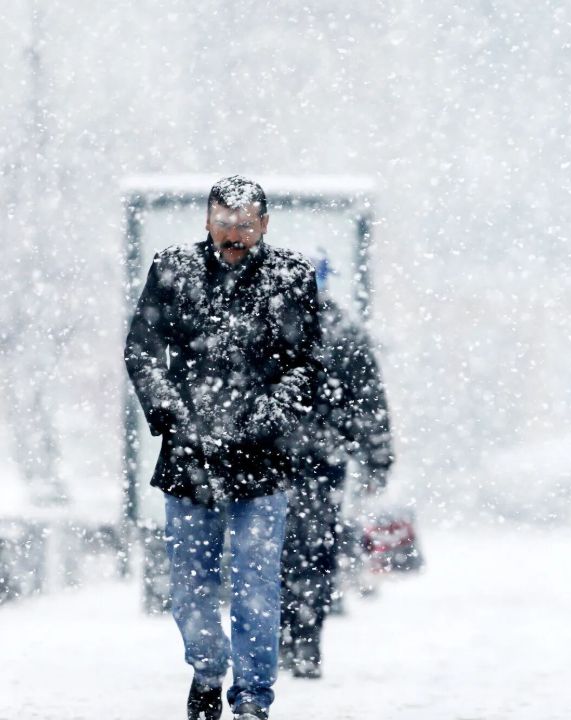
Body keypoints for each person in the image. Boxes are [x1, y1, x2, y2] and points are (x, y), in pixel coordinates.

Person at [125, 176, 321, 720]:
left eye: (245, 224)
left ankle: (254, 697)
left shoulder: (291, 276)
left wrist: (266, 418)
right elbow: (142, 351)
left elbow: (306, 363)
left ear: (265, 224)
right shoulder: (173, 269)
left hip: (264, 457)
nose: (235, 235)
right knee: (191, 585)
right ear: (207, 220)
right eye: (224, 223)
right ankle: (208, 668)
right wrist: (171, 413)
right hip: (190, 457)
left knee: (257, 581)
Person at [280, 254, 395, 680]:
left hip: (277, 461)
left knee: (276, 550)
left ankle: (282, 635)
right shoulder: (344, 331)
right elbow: (370, 403)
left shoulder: (273, 327)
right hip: (321, 462)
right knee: (314, 549)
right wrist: (376, 458)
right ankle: (305, 636)